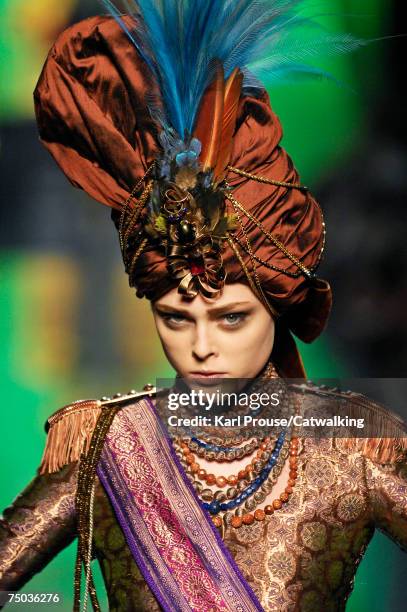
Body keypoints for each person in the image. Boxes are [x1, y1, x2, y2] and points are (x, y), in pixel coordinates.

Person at [1, 2, 406, 611]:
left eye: (232, 317)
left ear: (278, 307)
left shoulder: (352, 447)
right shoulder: (108, 446)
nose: (201, 347)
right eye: (174, 318)